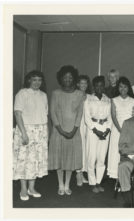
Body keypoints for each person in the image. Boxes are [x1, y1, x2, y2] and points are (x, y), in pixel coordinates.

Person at [48, 65, 84, 196]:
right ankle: (60, 184)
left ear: (74, 78)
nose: (68, 79)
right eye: (65, 77)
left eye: (70, 77)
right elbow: (52, 113)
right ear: (61, 79)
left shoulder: (80, 94)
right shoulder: (55, 93)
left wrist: (74, 130)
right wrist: (61, 130)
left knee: (69, 159)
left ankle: (67, 184)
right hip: (58, 132)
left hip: (73, 132)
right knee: (59, 158)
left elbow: (80, 113)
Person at [13, 70, 48, 201]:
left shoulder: (43, 95)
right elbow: (17, 114)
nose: (37, 82)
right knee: (24, 160)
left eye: (39, 80)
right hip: (26, 130)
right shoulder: (22, 93)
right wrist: (23, 133)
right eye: (34, 80)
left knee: (36, 160)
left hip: (41, 130)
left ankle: (31, 188)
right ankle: (23, 189)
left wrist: (45, 133)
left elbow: (45, 114)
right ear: (29, 80)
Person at [84, 76, 112, 193]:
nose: (99, 87)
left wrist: (107, 130)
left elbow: (110, 117)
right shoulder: (88, 99)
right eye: (97, 85)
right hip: (93, 129)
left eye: (101, 85)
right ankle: (91, 182)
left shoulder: (108, 100)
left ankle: (98, 182)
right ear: (93, 87)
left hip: (105, 129)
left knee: (101, 158)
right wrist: (96, 130)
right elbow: (87, 117)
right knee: (92, 157)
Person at [107, 77, 134, 185]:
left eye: (125, 86)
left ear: (128, 87)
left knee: (128, 154)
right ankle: (117, 179)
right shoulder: (114, 100)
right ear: (118, 88)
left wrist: (128, 130)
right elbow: (114, 116)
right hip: (117, 130)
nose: (123, 89)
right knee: (116, 153)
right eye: (120, 86)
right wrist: (120, 129)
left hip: (130, 130)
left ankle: (127, 177)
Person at [75, 75, 92, 186]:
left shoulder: (90, 96)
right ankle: (78, 174)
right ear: (77, 84)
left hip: (89, 124)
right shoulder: (75, 95)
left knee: (87, 148)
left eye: (85, 83)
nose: (83, 85)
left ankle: (83, 172)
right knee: (79, 148)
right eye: (81, 83)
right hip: (78, 123)